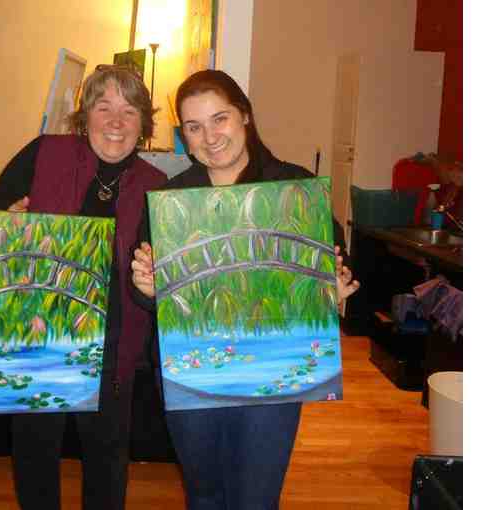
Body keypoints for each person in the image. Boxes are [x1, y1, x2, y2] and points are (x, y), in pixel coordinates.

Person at [131, 69, 360, 510]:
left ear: (245, 116)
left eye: (220, 119)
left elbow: (335, 261)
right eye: (194, 127)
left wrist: (330, 287)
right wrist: (146, 288)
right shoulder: (171, 199)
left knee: (255, 497)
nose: (209, 137)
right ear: (184, 135)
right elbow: (148, 293)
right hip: (191, 371)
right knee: (204, 494)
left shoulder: (292, 188)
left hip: (272, 371)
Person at [0, 64, 167, 510]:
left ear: (143, 124)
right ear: (85, 116)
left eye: (129, 110)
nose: (116, 121)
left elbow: (155, 287)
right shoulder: (46, 153)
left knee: (107, 462)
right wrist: (4, 224)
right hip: (39, 339)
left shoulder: (156, 187)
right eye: (104, 108)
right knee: (34, 457)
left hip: (113, 350)